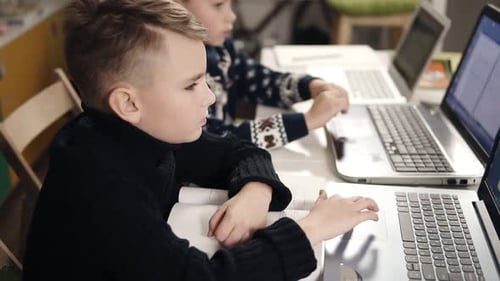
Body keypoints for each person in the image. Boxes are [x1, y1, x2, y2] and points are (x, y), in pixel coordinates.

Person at [22, 1, 379, 280]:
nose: (209, 97)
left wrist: (257, 191)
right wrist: (311, 229)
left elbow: (239, 151)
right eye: (191, 85)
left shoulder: (139, 129)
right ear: (129, 103)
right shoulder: (102, 184)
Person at [175, 0, 350, 150]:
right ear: (175, 4)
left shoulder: (220, 48)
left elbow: (257, 79)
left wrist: (310, 86)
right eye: (218, 5)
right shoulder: (176, 71)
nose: (232, 16)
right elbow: (215, 144)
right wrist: (307, 121)